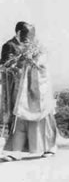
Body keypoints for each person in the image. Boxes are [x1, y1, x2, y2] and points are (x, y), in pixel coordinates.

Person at [0, 22, 58, 161]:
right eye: (26, 36)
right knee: (19, 118)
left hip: (35, 88)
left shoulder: (35, 47)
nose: (28, 40)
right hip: (17, 89)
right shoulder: (9, 46)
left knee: (43, 115)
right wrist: (19, 64)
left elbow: (42, 65)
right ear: (19, 33)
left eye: (31, 37)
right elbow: (4, 67)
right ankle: (15, 150)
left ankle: (48, 147)